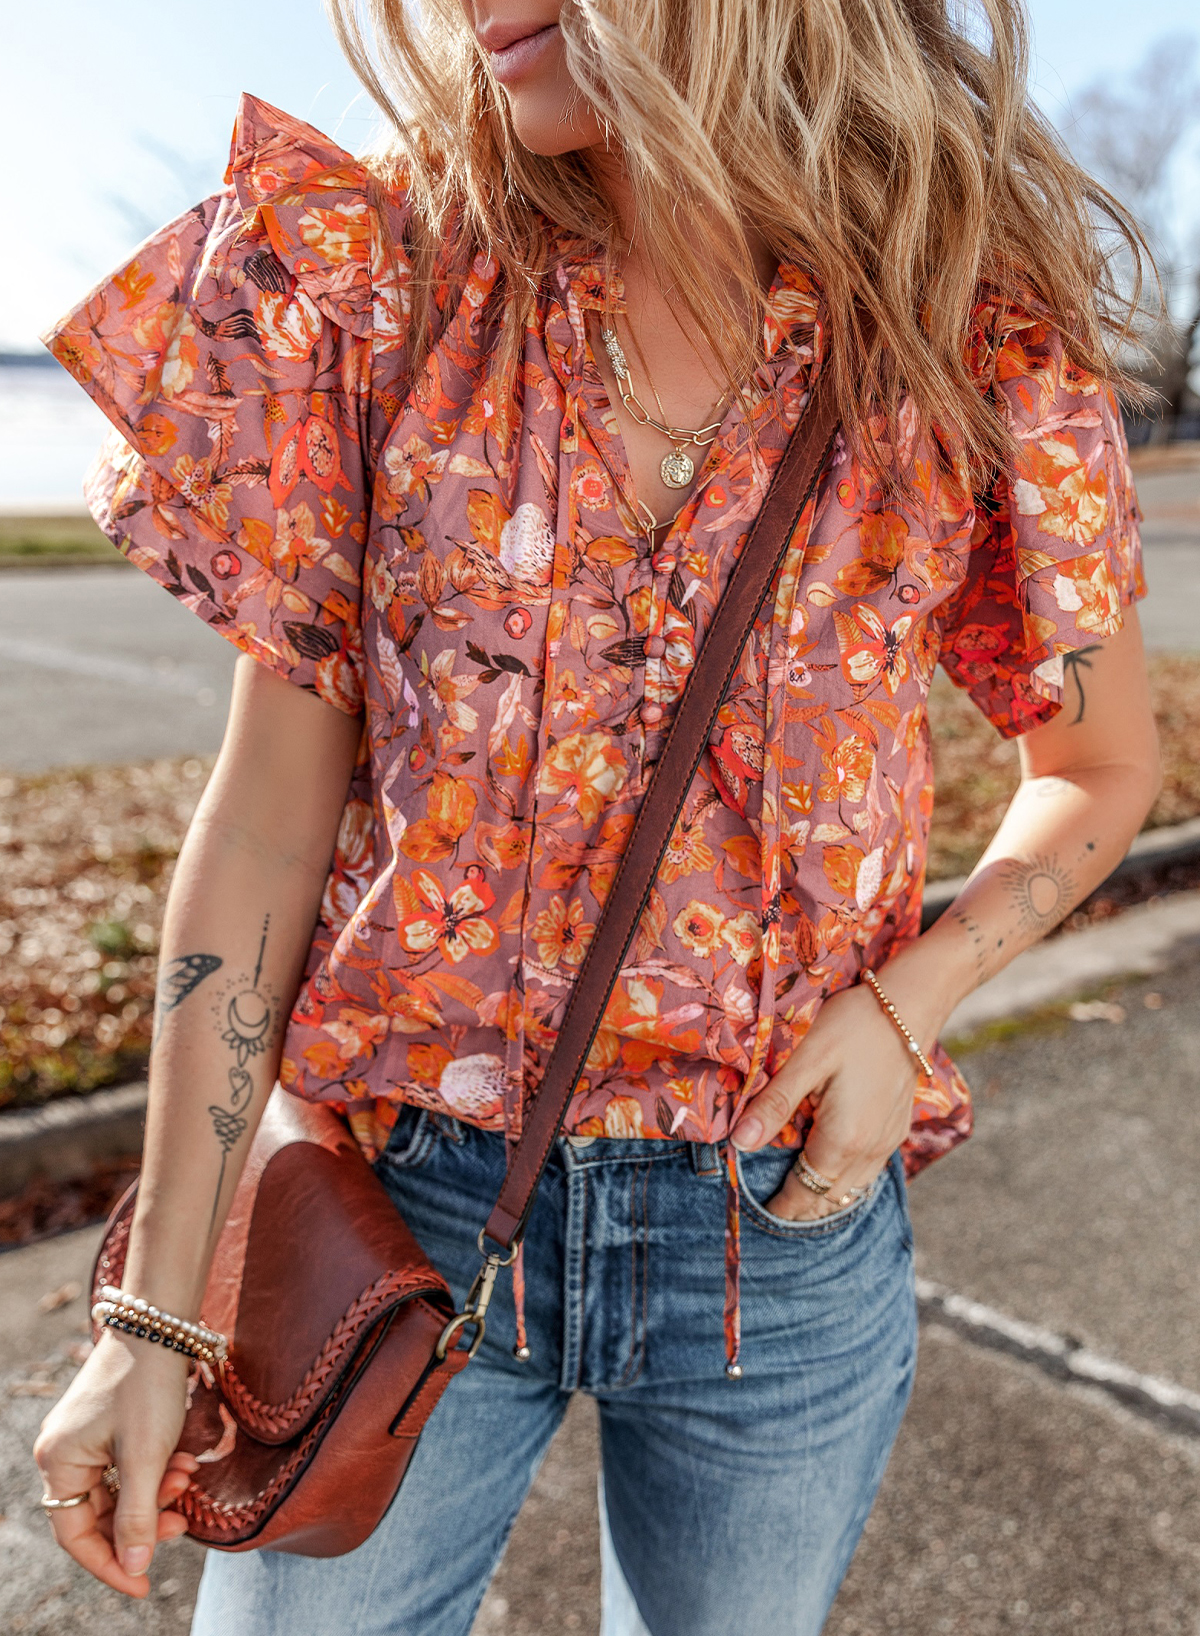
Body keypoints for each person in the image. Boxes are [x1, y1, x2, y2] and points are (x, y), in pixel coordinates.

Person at [34, 1, 1160, 1631]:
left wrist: (908, 1003)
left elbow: (1099, 770)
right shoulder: (390, 284)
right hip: (394, 1209)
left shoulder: (965, 343)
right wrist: (153, 1322)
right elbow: (266, 824)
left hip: (774, 1234)